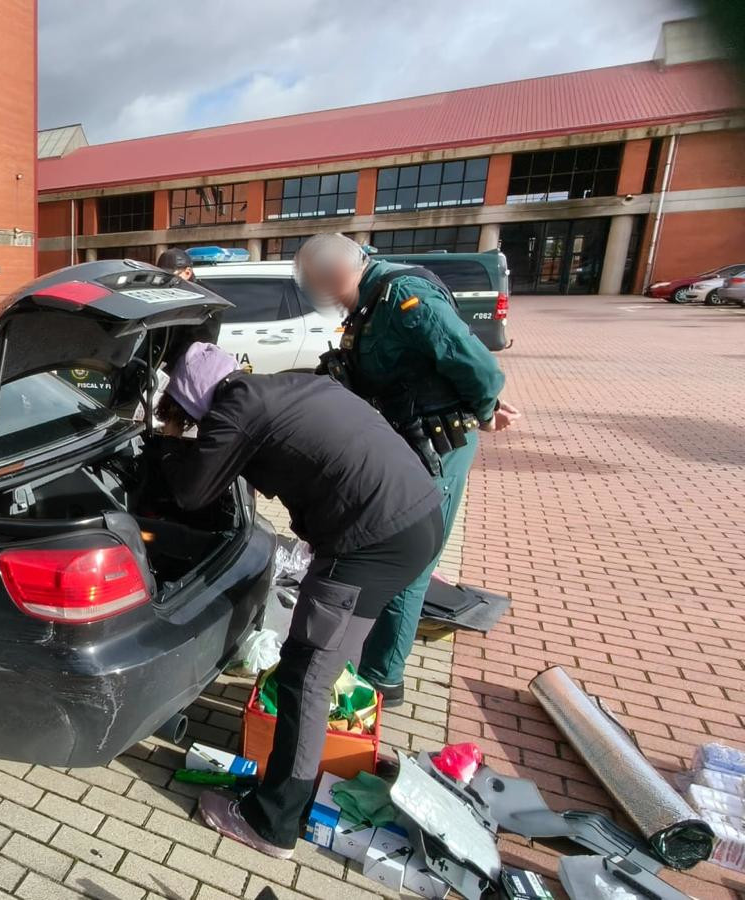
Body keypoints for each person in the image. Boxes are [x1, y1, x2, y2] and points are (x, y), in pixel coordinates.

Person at [154, 342, 444, 859]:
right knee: (330, 663)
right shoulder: (279, 386)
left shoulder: (234, 409)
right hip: (416, 520)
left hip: (369, 541)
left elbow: (192, 493)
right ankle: (329, 766)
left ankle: (273, 821)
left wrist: (172, 446)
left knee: (304, 674)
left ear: (193, 402)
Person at [293, 233, 516, 706]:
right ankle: (372, 655)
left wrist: (486, 408)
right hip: (406, 441)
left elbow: (474, 363)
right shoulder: (370, 305)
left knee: (412, 559)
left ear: (342, 272)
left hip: (438, 445)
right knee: (391, 548)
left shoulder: (404, 298)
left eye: (322, 285)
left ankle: (382, 679)